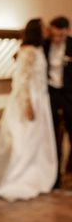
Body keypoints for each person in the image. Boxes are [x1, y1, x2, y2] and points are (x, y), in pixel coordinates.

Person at [0, 19, 58, 200]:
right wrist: (27, 103)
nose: (47, 29)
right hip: (28, 99)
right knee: (23, 139)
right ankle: (16, 177)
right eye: (44, 27)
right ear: (36, 30)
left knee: (36, 141)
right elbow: (22, 80)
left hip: (40, 99)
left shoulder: (40, 49)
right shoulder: (28, 51)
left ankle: (36, 175)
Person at [44, 16, 72, 188]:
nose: (57, 39)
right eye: (54, 35)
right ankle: (55, 178)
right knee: (53, 136)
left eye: (60, 36)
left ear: (67, 31)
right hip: (51, 94)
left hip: (69, 95)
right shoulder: (45, 45)